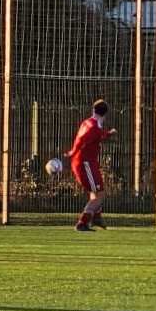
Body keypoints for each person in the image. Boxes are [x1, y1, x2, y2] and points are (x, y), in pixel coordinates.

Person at [65, 99, 116, 233]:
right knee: (100, 196)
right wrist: (72, 152)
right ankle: (82, 223)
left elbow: (92, 137)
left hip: (86, 162)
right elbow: (84, 139)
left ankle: (96, 218)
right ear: (106, 113)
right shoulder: (94, 128)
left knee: (96, 193)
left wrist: (108, 134)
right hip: (85, 163)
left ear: (93, 110)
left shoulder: (88, 122)